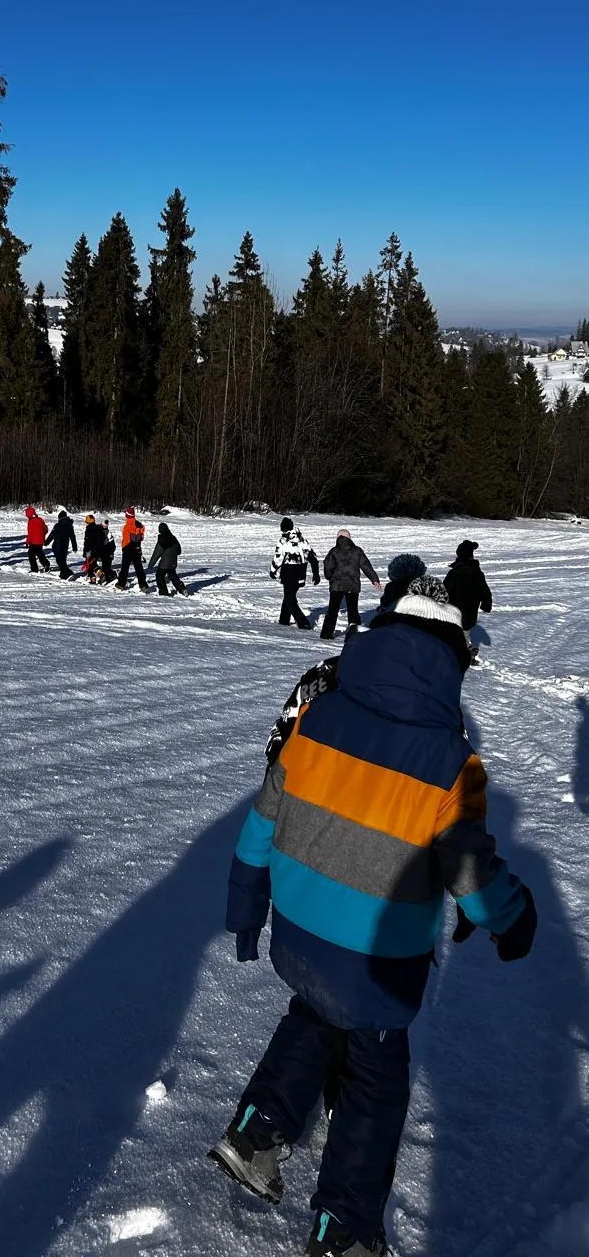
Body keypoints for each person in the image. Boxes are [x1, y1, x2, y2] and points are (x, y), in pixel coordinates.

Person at [208, 576, 536, 1256]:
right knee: (374, 1081)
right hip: (378, 965)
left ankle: (254, 1131)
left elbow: (261, 821)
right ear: (450, 659)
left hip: (298, 937)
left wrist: (246, 905)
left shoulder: (319, 717)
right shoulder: (455, 761)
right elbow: (472, 879)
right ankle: (345, 1228)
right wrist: (512, 917)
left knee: (316, 1016)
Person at [320, 529, 380, 640]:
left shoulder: (334, 551)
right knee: (353, 611)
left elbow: (328, 567)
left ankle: (326, 634)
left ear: (338, 538)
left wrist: (330, 577)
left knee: (332, 611)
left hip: (336, 586)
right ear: (349, 538)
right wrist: (374, 579)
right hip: (353, 586)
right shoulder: (357, 551)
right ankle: (355, 635)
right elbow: (366, 565)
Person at [270, 517, 320, 629]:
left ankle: (303, 622)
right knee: (289, 595)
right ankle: (284, 620)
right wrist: (315, 573)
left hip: (289, 573)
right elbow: (312, 557)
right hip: (301, 572)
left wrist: (273, 571)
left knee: (290, 599)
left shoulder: (283, 541)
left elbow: (278, 558)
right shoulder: (302, 540)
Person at [444, 539, 493, 635]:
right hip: (470, 615)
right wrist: (486, 604)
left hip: (454, 615)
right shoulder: (477, 573)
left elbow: (444, 591)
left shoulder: (455, 573)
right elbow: (485, 591)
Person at [148, 521, 187, 596]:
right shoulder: (173, 538)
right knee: (173, 576)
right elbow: (179, 551)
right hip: (173, 562)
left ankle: (163, 592)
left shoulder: (162, 540)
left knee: (159, 576)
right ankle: (182, 589)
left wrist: (150, 565)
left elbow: (156, 554)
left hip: (164, 564)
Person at [115, 507, 150, 592]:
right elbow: (141, 538)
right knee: (139, 568)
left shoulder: (127, 526)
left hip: (127, 548)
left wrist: (124, 547)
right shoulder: (139, 524)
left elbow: (125, 539)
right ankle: (143, 585)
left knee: (125, 567)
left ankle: (121, 584)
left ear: (127, 515)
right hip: (137, 548)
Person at [47, 508, 78, 579]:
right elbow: (73, 537)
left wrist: (46, 542)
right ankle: (63, 573)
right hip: (65, 545)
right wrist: (74, 546)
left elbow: (52, 535)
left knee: (60, 560)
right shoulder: (70, 525)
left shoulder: (57, 525)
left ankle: (67, 572)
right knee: (63, 560)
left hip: (57, 545)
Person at [24, 505, 51, 573]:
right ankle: (46, 564)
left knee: (31, 555)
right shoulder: (40, 519)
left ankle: (34, 569)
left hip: (33, 542)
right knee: (40, 554)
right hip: (40, 541)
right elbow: (46, 529)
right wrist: (42, 535)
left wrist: (27, 542)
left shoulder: (30, 522)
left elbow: (30, 533)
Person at [82, 514, 108, 581]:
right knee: (93, 564)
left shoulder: (88, 530)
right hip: (99, 550)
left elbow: (87, 542)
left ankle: (100, 575)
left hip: (91, 551)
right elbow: (103, 539)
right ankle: (94, 577)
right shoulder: (99, 528)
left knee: (91, 566)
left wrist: (85, 552)